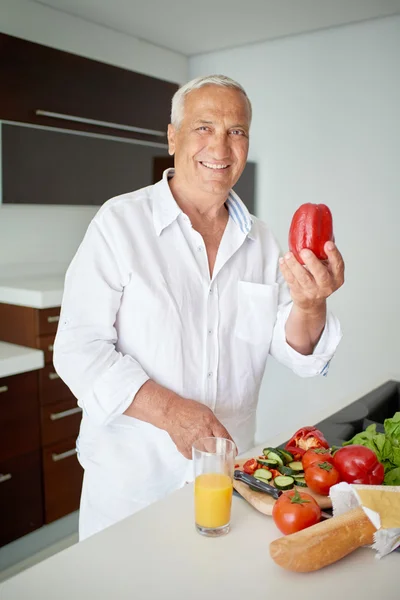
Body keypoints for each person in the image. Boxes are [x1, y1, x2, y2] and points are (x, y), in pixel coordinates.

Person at [53, 75, 344, 540]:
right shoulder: (119, 223)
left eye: (237, 131)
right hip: (130, 493)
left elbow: (299, 352)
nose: (221, 147)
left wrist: (311, 304)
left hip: (225, 487)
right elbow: (77, 347)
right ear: (172, 137)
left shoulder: (264, 242)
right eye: (204, 127)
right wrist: (170, 411)